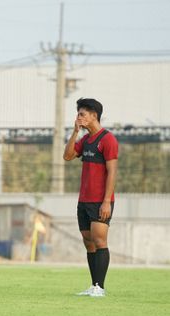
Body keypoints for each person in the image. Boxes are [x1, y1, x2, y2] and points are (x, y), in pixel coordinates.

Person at [63, 98, 118, 297]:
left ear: (94, 116)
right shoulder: (85, 140)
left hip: (100, 201)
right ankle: (94, 285)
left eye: (82, 114)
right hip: (83, 200)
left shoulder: (108, 139)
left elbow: (112, 172)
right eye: (78, 114)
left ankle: (100, 288)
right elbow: (68, 156)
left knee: (100, 240)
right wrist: (75, 132)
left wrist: (106, 202)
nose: (78, 117)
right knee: (88, 242)